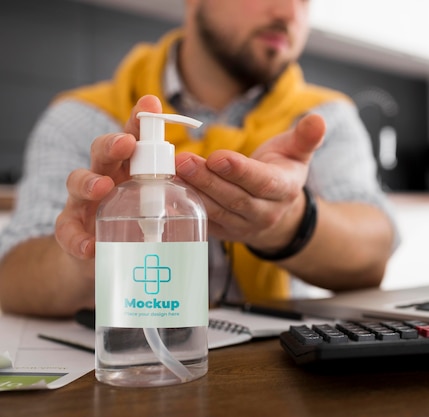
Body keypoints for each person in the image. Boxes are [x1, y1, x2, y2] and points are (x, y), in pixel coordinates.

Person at [0, 0, 398, 317]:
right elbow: (11, 276)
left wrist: (285, 222)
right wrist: (88, 261)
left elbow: (373, 255)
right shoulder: (81, 117)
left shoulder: (323, 118)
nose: (288, 13)